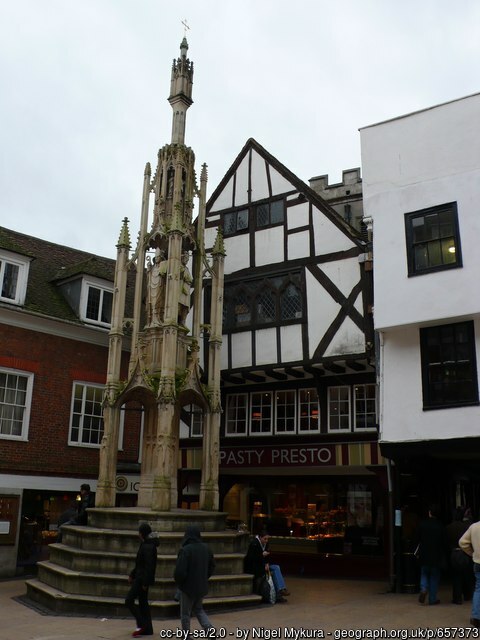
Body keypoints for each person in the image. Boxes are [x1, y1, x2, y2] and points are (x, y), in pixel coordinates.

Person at [174, 524, 215, 633]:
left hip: (187, 586)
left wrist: (180, 582)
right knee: (199, 609)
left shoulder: (185, 550)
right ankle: (209, 629)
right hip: (201, 585)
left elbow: (179, 572)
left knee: (185, 613)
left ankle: (186, 634)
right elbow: (212, 566)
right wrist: (204, 577)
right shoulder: (206, 548)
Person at [125, 523, 159, 637]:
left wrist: (145, 582)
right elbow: (140, 563)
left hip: (141, 579)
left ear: (142, 533)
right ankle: (148, 629)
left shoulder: (147, 546)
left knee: (129, 600)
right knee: (143, 603)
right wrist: (132, 574)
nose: (138, 534)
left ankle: (142, 624)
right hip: (141, 577)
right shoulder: (146, 544)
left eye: (139, 532)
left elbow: (149, 567)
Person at [243, 530, 290, 603]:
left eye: (267, 539)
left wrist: (267, 563)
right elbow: (251, 558)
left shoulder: (265, 544)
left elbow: (267, 557)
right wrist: (262, 555)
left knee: (276, 567)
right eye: (265, 539)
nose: (266, 541)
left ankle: (281, 589)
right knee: (273, 573)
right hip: (255, 567)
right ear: (260, 537)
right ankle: (278, 594)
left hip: (263, 564)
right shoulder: (254, 544)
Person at [417, 504, 448, 606]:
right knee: (434, 577)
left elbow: (417, 538)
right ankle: (432, 599)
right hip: (436, 556)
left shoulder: (422, 524)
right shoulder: (441, 526)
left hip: (424, 554)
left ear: (429, 512)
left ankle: (423, 588)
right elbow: (444, 542)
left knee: (424, 573)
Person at [446, 506, 474, 605]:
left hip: (454, 553)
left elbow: (446, 542)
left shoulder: (448, 527)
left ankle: (457, 598)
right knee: (466, 574)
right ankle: (467, 594)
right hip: (464, 552)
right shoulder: (466, 527)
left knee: (456, 576)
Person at [459, 514, 480, 628]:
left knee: (478, 589)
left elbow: (462, 542)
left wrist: (471, 553)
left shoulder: (474, 527)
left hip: (478, 562)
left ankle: (476, 617)